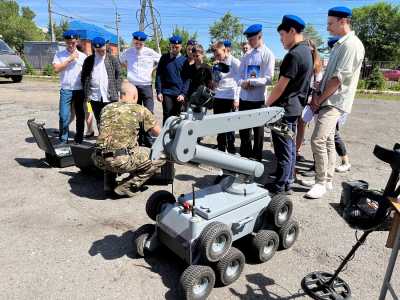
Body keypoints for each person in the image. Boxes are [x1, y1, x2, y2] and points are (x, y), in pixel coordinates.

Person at [305, 6, 365, 199]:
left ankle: (320, 182)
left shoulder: (351, 45)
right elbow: (328, 75)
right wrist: (317, 94)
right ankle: (327, 179)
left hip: (334, 101)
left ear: (343, 21)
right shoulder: (340, 44)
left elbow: (338, 79)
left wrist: (319, 99)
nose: (328, 27)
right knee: (329, 140)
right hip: (327, 99)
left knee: (318, 139)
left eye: (331, 23)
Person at [264, 15, 313, 195]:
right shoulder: (307, 51)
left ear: (292, 31)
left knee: (284, 148)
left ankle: (281, 186)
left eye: (282, 35)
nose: (281, 39)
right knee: (289, 147)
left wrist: (266, 104)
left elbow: (281, 86)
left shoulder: (293, 55)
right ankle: (287, 180)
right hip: (295, 107)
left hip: (284, 108)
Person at [92, 80, 164, 197]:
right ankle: (126, 187)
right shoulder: (139, 109)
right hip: (120, 161)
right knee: (162, 156)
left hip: (98, 159)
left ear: (121, 95)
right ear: (135, 96)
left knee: (111, 146)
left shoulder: (106, 108)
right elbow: (159, 133)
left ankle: (108, 184)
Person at [238, 24, 275, 162]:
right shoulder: (246, 55)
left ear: (259, 37)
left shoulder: (268, 54)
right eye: (248, 39)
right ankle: (244, 157)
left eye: (251, 39)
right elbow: (239, 75)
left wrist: (251, 83)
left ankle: (257, 158)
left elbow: (269, 78)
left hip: (258, 100)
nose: (249, 42)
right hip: (244, 98)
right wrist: (243, 83)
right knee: (243, 131)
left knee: (258, 132)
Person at [120, 31, 161, 146]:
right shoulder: (128, 52)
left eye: (140, 43)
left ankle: (148, 140)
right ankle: (136, 140)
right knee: (133, 113)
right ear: (133, 41)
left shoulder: (150, 52)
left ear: (144, 42)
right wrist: (129, 69)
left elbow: (161, 61)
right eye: (136, 43)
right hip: (132, 86)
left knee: (148, 113)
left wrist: (152, 69)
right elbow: (121, 60)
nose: (138, 45)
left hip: (146, 85)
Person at [52, 30, 86, 144]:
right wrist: (70, 59)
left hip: (80, 90)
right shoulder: (59, 55)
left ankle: (79, 140)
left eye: (73, 42)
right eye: (68, 42)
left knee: (80, 116)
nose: (71, 45)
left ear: (76, 41)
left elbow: (87, 74)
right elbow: (56, 69)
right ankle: (63, 140)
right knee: (63, 116)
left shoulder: (83, 56)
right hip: (66, 90)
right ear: (65, 42)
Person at [81, 37, 121, 129]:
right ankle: (102, 140)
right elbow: (84, 77)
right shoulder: (89, 60)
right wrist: (87, 93)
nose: (101, 52)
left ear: (105, 47)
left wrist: (118, 91)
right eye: (98, 51)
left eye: (102, 50)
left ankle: (111, 141)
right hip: (95, 96)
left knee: (111, 119)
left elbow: (118, 76)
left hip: (110, 96)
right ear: (94, 48)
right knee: (99, 119)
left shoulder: (112, 59)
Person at [295, 39, 323, 163]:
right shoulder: (300, 61)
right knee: (292, 125)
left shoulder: (316, 65)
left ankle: (297, 150)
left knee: (301, 125)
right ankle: (292, 149)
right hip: (298, 97)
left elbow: (318, 84)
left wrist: (313, 98)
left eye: (309, 48)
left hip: (309, 99)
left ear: (313, 49)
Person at [212, 41, 241, 154]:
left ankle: (231, 149)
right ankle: (220, 148)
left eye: (219, 55)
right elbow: (216, 80)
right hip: (218, 97)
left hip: (230, 98)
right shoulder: (217, 63)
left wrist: (237, 99)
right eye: (215, 55)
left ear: (225, 50)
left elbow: (239, 81)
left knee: (229, 126)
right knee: (219, 125)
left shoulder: (235, 62)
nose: (217, 57)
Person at [155, 35, 189, 124]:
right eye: (172, 47)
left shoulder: (185, 61)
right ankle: (166, 136)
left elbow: (187, 79)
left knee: (178, 117)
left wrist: (183, 94)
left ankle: (176, 137)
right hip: (167, 92)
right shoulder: (164, 58)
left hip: (179, 94)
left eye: (177, 47)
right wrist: (159, 91)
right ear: (170, 45)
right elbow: (159, 75)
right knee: (167, 115)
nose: (174, 49)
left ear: (181, 47)